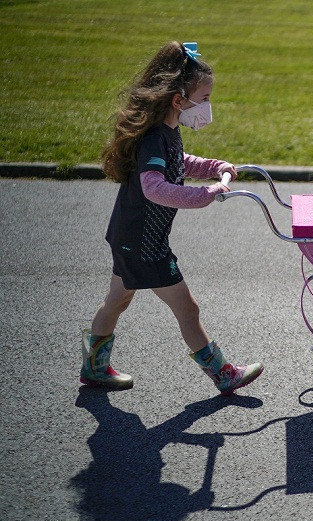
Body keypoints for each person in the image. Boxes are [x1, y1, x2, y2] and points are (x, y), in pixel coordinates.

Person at [82, 41, 263, 394]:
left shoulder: (167, 130)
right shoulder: (153, 139)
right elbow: (153, 186)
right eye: (206, 98)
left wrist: (211, 167)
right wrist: (203, 195)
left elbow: (178, 160)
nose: (208, 106)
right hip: (144, 243)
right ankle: (224, 374)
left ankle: (94, 367)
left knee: (117, 300)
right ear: (180, 100)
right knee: (187, 308)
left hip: (130, 235)